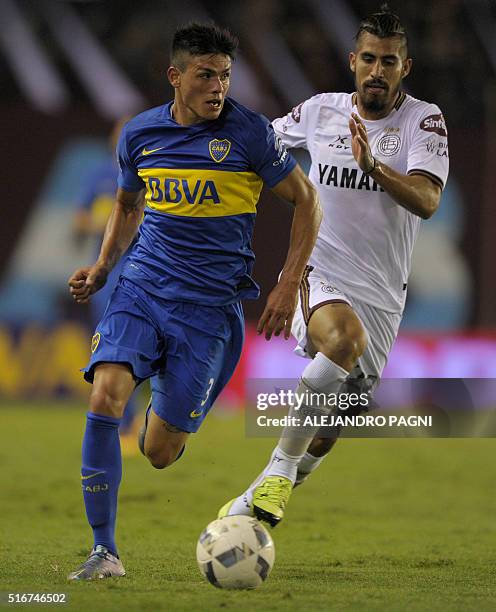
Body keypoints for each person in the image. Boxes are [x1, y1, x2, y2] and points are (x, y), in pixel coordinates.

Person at [67, 22, 321, 580]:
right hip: (143, 286)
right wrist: (105, 267)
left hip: (208, 310)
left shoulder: (250, 135)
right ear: (175, 77)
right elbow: (128, 204)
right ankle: (104, 552)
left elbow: (307, 202)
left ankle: (172, 408)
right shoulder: (140, 135)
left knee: (158, 450)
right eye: (206, 75)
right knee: (106, 393)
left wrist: (286, 280)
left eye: (225, 76)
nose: (218, 87)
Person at [219, 5, 449, 527]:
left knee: (325, 429)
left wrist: (374, 167)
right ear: (352, 61)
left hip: (384, 297)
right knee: (342, 340)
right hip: (317, 272)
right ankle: (277, 471)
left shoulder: (424, 121)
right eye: (368, 58)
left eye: (388, 61)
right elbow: (260, 144)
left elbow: (427, 200)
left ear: (404, 68)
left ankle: (244, 509)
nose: (377, 70)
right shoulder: (321, 112)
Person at [73, 118, 140, 448]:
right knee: (109, 342)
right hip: (106, 270)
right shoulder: (100, 174)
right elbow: (80, 218)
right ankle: (121, 420)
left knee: (127, 343)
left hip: (141, 266)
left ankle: (131, 420)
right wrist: (102, 220)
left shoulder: (150, 170)